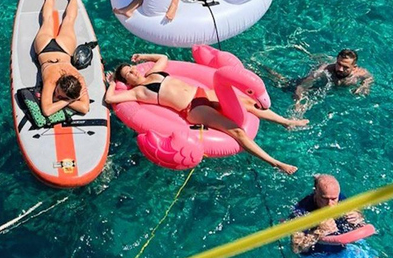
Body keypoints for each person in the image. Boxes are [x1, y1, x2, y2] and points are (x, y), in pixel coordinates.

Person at [105, 53, 301, 174]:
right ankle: (276, 163)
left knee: (248, 103)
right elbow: (111, 100)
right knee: (237, 132)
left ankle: (285, 121)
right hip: (193, 109)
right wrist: (114, 82)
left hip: (203, 93)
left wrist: (143, 56)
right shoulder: (137, 92)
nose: (134, 72)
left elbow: (162, 58)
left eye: (132, 69)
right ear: (128, 81)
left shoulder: (153, 74)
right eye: (129, 74)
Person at [34, 0, 90, 117]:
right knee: (61, 20)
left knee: (61, 21)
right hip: (58, 50)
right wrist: (69, 100)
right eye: (59, 92)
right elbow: (47, 110)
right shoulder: (51, 81)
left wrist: (66, 100)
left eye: (59, 95)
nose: (57, 95)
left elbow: (85, 108)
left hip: (48, 49)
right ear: (58, 83)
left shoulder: (79, 79)